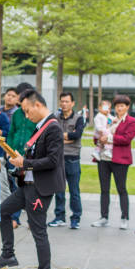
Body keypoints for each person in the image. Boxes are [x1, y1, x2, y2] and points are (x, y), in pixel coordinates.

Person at [0, 89, 65, 269]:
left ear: (37, 105)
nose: (26, 115)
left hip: (40, 188)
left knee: (38, 230)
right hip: (28, 185)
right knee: (3, 212)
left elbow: (53, 161)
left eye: (26, 110)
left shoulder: (53, 127)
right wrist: (21, 161)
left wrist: (26, 163)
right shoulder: (41, 126)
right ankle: (8, 254)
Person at [91, 94, 135, 230]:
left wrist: (109, 138)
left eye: (122, 106)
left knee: (121, 189)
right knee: (104, 189)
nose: (119, 108)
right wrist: (99, 138)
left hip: (120, 160)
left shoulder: (132, 121)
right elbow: (99, 135)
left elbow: (126, 139)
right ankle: (104, 217)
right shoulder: (110, 119)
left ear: (127, 107)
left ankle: (124, 217)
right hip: (104, 159)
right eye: (117, 106)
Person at [49, 92, 85, 229]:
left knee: (74, 190)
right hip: (57, 158)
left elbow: (77, 135)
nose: (64, 104)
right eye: (62, 101)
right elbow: (51, 134)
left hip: (73, 158)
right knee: (59, 189)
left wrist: (61, 136)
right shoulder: (55, 117)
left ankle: (75, 218)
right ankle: (59, 217)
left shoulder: (79, 118)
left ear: (72, 103)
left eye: (67, 101)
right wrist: (66, 137)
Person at [4, 82, 36, 228]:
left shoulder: (35, 113)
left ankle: (32, 219)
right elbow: (11, 133)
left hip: (30, 158)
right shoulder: (16, 114)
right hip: (14, 154)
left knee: (31, 189)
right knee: (15, 188)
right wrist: (8, 150)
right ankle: (15, 219)